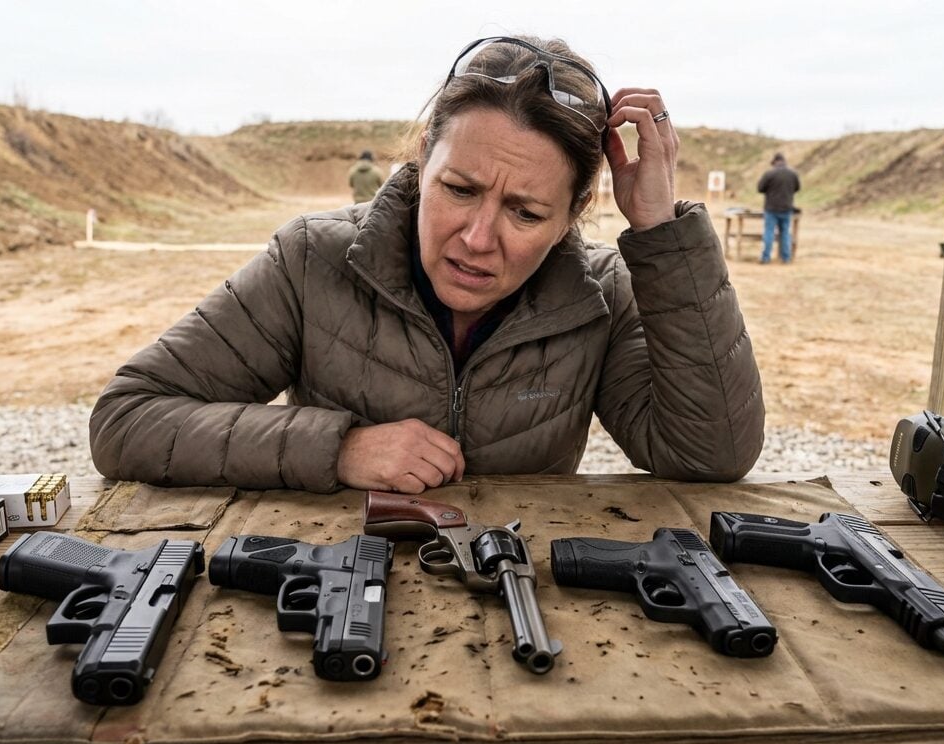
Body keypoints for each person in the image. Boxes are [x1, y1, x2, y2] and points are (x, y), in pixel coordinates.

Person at [89, 35, 764, 494]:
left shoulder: (601, 295)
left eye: (526, 213)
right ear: (422, 160)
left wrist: (659, 233)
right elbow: (128, 419)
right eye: (459, 190)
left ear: (573, 214)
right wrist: (339, 448)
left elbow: (711, 455)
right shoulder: (313, 260)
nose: (477, 238)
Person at [756, 152, 801, 264]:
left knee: (769, 233)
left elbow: (760, 188)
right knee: (785, 233)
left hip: (771, 208)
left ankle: (766, 258)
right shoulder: (792, 174)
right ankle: (786, 258)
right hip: (787, 208)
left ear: (775, 162)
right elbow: (797, 188)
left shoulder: (769, 174)